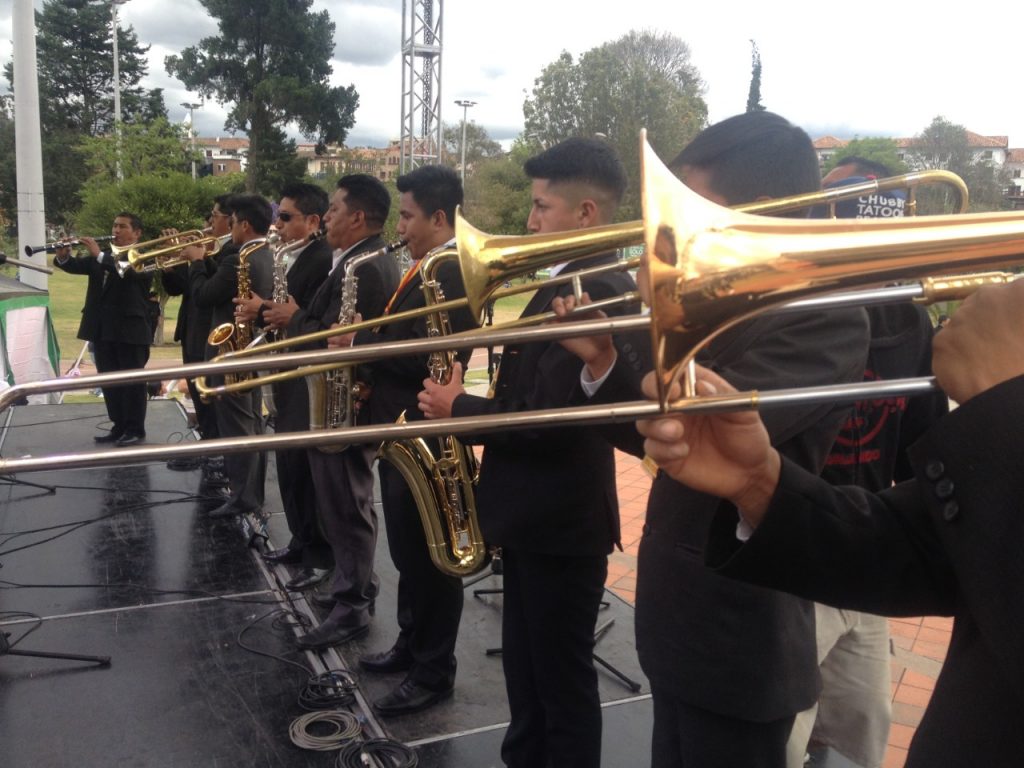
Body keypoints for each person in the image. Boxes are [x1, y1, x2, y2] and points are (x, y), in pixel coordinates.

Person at [564, 112, 871, 768]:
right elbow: (651, 441)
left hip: (740, 641)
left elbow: (702, 431)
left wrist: (648, 316)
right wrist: (601, 360)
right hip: (681, 626)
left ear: (758, 215)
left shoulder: (827, 317)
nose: (670, 236)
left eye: (693, 211)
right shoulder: (722, 311)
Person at [635, 277, 1024, 768]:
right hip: (810, 573)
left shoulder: (904, 327)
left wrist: (1007, 408)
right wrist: (760, 485)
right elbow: (924, 548)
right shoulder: (801, 317)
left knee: (854, 730)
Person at [417, 137, 644, 768]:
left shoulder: (597, 288)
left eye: (542, 207)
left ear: (586, 214)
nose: (529, 222)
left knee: (559, 683)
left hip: (560, 524)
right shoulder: (565, 282)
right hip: (539, 519)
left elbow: (550, 420)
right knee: (529, 671)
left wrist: (457, 408)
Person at [786, 164, 948, 768]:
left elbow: (925, 439)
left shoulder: (911, 320)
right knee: (785, 727)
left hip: (869, 546)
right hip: (798, 550)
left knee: (862, 724)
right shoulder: (798, 314)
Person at [352, 164, 475, 717]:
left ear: (440, 217)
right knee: (406, 550)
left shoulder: (452, 271)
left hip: (422, 427)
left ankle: (433, 669)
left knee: (432, 558)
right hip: (400, 426)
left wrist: (366, 347)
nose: (399, 226)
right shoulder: (425, 265)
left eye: (407, 216)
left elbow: (440, 354)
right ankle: (411, 642)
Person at [264, 174, 400, 649]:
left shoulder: (367, 265)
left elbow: (339, 338)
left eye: (337, 211)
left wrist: (291, 318)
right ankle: (352, 587)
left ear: (358, 217)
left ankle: (354, 605)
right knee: (338, 506)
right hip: (330, 402)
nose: (329, 220)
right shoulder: (352, 260)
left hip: (345, 409)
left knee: (347, 508)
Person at [235, 183, 332, 592]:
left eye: (286, 217)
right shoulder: (292, 255)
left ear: (313, 222)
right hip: (288, 371)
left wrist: (266, 310)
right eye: (278, 216)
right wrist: (262, 314)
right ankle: (300, 541)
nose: (277, 224)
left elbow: (310, 318)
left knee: (307, 473)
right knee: (290, 469)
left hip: (306, 376)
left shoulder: (322, 258)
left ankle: (318, 556)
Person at [187, 194, 274, 518]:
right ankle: (252, 493)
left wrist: (196, 261)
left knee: (238, 428)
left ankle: (243, 498)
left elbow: (204, 295)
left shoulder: (240, 255)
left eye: (233, 222)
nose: (227, 227)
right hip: (250, 349)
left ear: (245, 225)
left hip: (232, 353)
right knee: (252, 426)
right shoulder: (265, 252)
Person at [53, 212, 153, 446]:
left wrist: (98, 255)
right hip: (103, 329)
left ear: (136, 233)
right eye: (114, 225)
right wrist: (64, 257)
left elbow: (127, 274)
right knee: (109, 380)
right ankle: (118, 425)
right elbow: (77, 266)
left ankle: (135, 428)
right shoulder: (105, 255)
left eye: (123, 227)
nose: (116, 230)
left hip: (131, 330)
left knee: (132, 381)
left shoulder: (145, 255)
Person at [163, 194, 236, 476]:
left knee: (211, 398)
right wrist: (171, 260)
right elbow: (180, 287)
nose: (208, 221)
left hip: (211, 333)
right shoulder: (207, 247)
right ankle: (208, 446)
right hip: (191, 330)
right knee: (197, 393)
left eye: (214, 215)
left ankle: (218, 455)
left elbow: (210, 289)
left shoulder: (229, 251)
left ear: (230, 220)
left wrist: (198, 260)